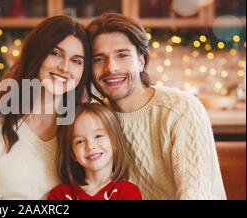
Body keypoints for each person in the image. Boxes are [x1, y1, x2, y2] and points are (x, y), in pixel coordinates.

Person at [86, 12, 226, 200]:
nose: (111, 67)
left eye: (122, 55)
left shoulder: (181, 110)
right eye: (99, 59)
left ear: (141, 61)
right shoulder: (93, 119)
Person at [0, 16, 92, 200]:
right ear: (36, 54)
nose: (64, 67)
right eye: (55, 53)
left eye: (76, 61)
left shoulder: (88, 128)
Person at [48, 103, 141, 200]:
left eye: (98, 136)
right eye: (80, 141)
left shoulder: (128, 192)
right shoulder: (60, 195)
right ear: (72, 154)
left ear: (115, 142)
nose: (90, 146)